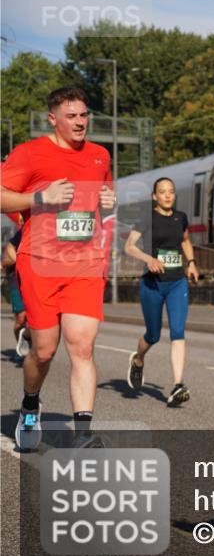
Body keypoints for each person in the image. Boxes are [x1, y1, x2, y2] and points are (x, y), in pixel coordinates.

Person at [0, 87, 117, 451]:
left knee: (81, 346)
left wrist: (109, 200)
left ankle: (82, 434)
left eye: (84, 115)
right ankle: (30, 405)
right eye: (72, 116)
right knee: (45, 351)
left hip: (84, 264)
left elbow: (104, 201)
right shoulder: (30, 153)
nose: (81, 122)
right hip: (40, 264)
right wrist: (40, 197)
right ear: (53, 119)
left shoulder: (100, 155)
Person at [123, 177, 199, 406]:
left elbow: (185, 240)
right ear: (154, 196)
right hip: (152, 284)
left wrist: (192, 262)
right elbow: (129, 247)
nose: (167, 195)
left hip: (177, 282)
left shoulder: (180, 217)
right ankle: (137, 360)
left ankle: (177, 385)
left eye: (171, 192)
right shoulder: (147, 218)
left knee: (178, 332)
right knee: (153, 335)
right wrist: (149, 259)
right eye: (162, 192)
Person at [2, 223, 31, 360]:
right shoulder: (22, 232)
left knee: (33, 319)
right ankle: (20, 345)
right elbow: (8, 253)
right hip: (17, 279)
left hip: (37, 281)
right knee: (20, 319)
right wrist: (19, 259)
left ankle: (28, 340)